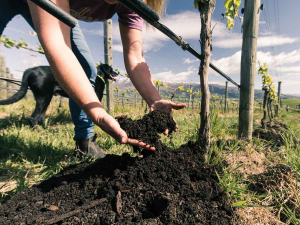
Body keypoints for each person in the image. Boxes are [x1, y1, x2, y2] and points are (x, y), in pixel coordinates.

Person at [0, 0, 186, 157]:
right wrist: (98, 113)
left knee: (85, 67)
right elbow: (57, 44)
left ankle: (85, 142)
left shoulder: (133, 3)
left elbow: (135, 56)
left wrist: (154, 101)